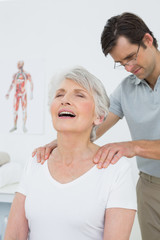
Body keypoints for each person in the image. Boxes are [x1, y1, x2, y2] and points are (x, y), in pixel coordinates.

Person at [32, 13, 160, 240]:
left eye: (131, 57)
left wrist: (135, 147)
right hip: (150, 188)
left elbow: (131, 147)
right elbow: (93, 125)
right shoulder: (127, 89)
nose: (129, 68)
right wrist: (55, 145)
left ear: (148, 41)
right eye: (121, 64)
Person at [4, 66, 136, 240]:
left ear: (99, 117)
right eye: (59, 95)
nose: (65, 100)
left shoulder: (116, 169)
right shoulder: (37, 160)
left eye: (79, 95)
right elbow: (13, 236)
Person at [5, 60, 33, 133]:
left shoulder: (26, 74)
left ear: (22, 65)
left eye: (19, 64)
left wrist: (31, 93)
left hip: (23, 94)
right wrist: (8, 92)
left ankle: (24, 126)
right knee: (15, 111)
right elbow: (12, 84)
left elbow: (31, 83)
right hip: (16, 94)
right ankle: (15, 126)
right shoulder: (15, 75)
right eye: (17, 64)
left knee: (24, 110)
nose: (18, 65)